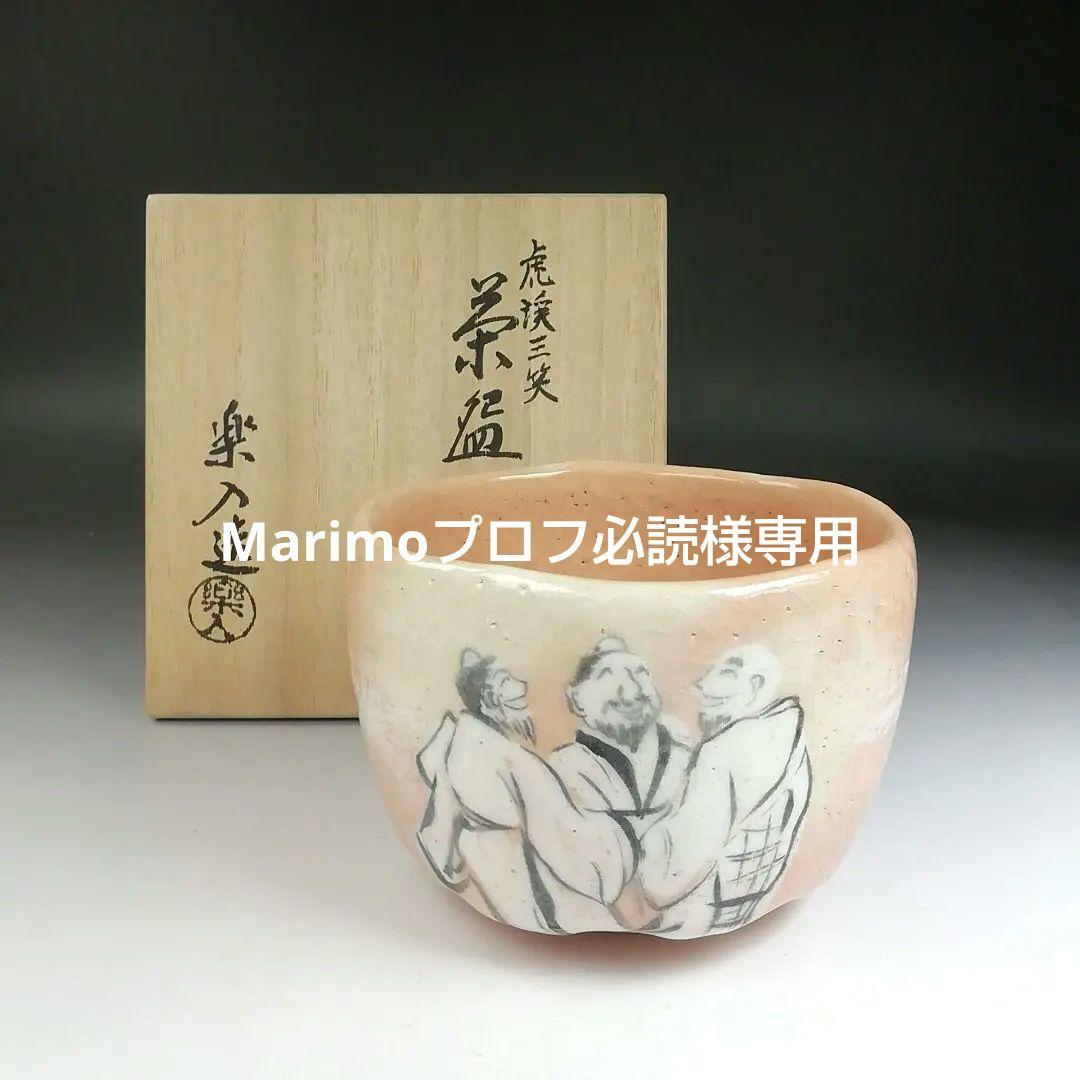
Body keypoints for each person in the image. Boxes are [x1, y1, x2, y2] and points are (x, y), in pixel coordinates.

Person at [416, 648, 634, 933]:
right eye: (507, 680)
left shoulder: (463, 742)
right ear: (490, 697)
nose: (522, 687)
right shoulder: (506, 758)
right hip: (514, 868)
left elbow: (441, 830)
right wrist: (618, 839)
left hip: (490, 860)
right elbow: (560, 832)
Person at [636, 646, 812, 937]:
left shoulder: (721, 751)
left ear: (754, 686)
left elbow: (671, 877)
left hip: (703, 912)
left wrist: (647, 842)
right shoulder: (791, 734)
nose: (701, 686)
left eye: (723, 674)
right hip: (754, 897)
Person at [547, 636, 693, 930]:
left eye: (640, 673)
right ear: (576, 699)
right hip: (590, 922)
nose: (632, 691)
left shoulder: (686, 759)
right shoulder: (564, 769)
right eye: (606, 675)